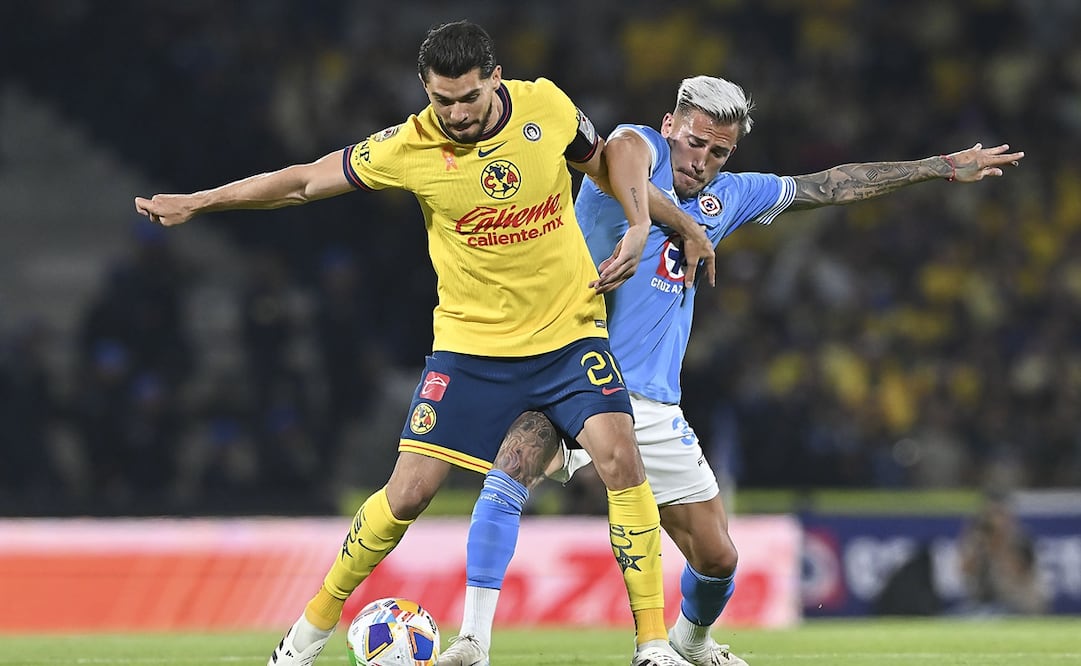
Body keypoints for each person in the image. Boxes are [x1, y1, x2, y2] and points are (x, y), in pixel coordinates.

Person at [134, 20, 712, 666]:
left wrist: (659, 223)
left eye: (468, 98)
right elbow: (301, 182)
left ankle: (653, 646)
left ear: (494, 79)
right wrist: (202, 202)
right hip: (471, 349)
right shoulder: (407, 146)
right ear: (424, 90)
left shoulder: (545, 107)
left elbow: (607, 161)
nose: (456, 114)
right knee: (407, 493)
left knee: (618, 459)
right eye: (442, 101)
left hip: (568, 336)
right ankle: (303, 640)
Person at [438, 75, 1024, 666]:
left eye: (720, 152)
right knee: (512, 468)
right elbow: (628, 165)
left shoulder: (732, 195)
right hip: (572, 371)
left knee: (718, 559)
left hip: (653, 403)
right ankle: (473, 642)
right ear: (671, 126)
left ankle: (693, 644)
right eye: (695, 143)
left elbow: (830, 185)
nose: (702, 161)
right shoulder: (630, 149)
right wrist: (683, 226)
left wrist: (940, 166)